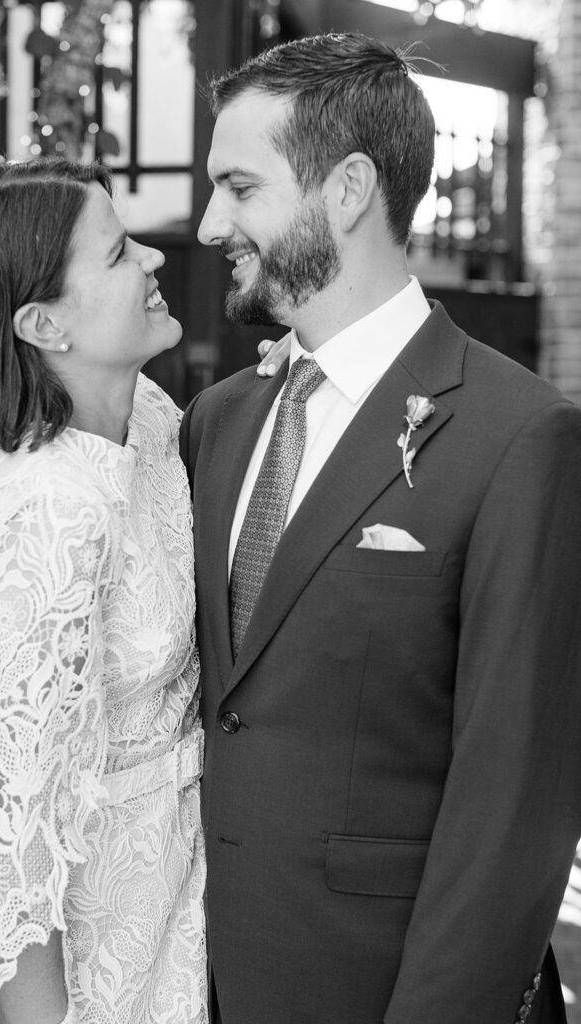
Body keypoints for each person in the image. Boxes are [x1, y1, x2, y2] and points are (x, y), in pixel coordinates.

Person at [180, 31, 581, 1024]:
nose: (208, 223)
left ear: (349, 188)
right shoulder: (217, 421)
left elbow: (514, 804)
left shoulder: (519, 436)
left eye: (239, 187)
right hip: (206, 981)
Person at [0, 159, 209, 1024]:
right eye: (118, 253)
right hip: (71, 960)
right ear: (43, 324)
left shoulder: (148, 416)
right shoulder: (43, 510)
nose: (152, 258)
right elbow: (13, 855)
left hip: (168, 898)